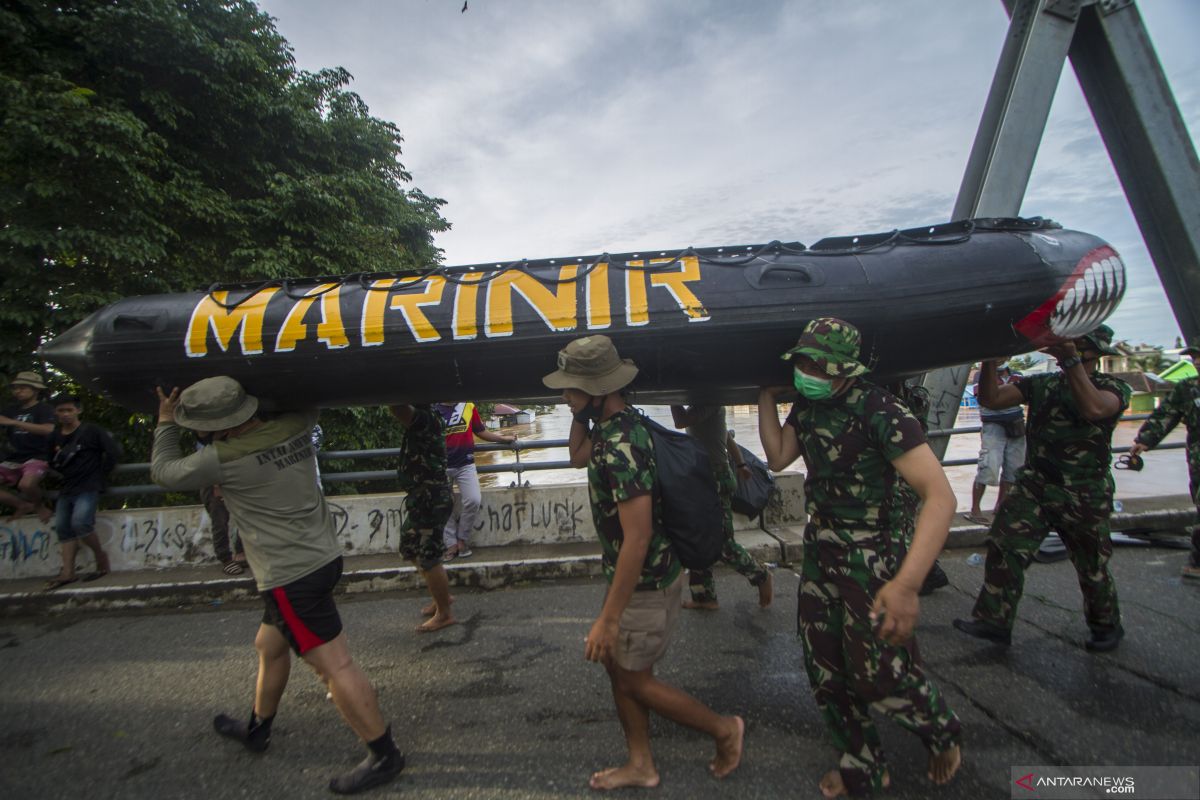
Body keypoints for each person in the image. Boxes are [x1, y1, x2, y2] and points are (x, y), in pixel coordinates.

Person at [150, 377, 404, 795]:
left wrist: (164, 422)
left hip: (290, 576)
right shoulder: (296, 425)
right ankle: (258, 728)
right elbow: (304, 396)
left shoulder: (218, 458)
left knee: (334, 667)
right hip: (323, 558)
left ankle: (385, 756)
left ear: (213, 427)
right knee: (269, 645)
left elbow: (163, 471)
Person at [758, 318, 962, 798]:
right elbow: (778, 456)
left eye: (817, 365)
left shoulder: (882, 411)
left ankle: (942, 730)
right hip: (822, 549)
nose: (807, 371)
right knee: (824, 669)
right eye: (802, 362)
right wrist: (767, 396)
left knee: (875, 674)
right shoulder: (809, 405)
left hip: (873, 556)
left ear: (845, 369)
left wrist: (907, 584)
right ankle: (863, 764)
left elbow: (940, 497)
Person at [543, 335, 744, 790]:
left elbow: (637, 538)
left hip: (645, 581)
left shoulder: (622, 447)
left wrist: (608, 619)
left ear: (599, 389)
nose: (564, 395)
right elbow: (576, 457)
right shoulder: (618, 425)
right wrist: (580, 411)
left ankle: (724, 730)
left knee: (634, 682)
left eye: (572, 388)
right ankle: (641, 763)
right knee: (621, 671)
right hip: (633, 579)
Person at [954, 324, 1131, 653]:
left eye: (1077, 346)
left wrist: (1071, 362)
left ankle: (1105, 625)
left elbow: (1093, 409)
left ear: (1092, 353)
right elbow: (991, 399)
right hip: (1035, 485)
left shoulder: (1113, 387)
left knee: (1091, 564)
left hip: (1084, 491)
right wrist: (991, 359)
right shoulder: (1043, 384)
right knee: (1005, 547)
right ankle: (995, 621)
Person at [668, 404, 772, 610]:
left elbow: (681, 421)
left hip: (715, 477)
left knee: (723, 542)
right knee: (698, 539)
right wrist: (741, 465)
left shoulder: (710, 396)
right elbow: (725, 435)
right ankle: (704, 596)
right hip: (703, 476)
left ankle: (760, 576)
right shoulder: (703, 399)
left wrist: (671, 395)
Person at [1129, 338, 1200, 580]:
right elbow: (1166, 414)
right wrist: (1145, 439)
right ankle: (1198, 563)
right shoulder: (1188, 388)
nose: (1197, 362)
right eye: (1194, 358)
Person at [389, 403, 458, 632]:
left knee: (429, 556)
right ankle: (441, 596)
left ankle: (444, 613)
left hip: (430, 499)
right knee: (409, 547)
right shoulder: (430, 415)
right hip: (422, 498)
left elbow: (397, 408)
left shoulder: (426, 418)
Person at [41, 394, 119, 590]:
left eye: (69, 410)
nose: (65, 414)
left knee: (81, 523)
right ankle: (68, 572)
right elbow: (50, 461)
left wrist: (101, 474)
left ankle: (101, 558)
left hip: (89, 484)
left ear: (78, 410)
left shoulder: (91, 431)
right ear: (56, 413)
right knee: (63, 529)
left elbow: (112, 452)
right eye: (61, 411)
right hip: (67, 486)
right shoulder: (55, 436)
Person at [885, 380, 950, 596]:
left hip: (904, 478)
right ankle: (927, 570)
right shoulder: (914, 397)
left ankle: (926, 572)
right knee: (906, 526)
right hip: (904, 476)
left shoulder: (912, 401)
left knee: (902, 528)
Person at [434, 401, 515, 560]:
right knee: (443, 504)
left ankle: (462, 539)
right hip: (440, 465)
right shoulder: (433, 408)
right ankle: (451, 544)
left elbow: (481, 431)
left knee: (473, 500)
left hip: (466, 464)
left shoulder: (468, 406)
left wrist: (504, 439)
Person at [965, 363, 1027, 524]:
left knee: (1014, 469)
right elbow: (984, 398)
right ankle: (975, 509)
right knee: (988, 466)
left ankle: (1001, 507)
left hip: (1016, 425)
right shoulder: (983, 375)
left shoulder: (1017, 376)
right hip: (993, 426)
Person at [0, 371, 55, 522]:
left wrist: (15, 423)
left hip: (39, 456)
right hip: (14, 458)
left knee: (27, 484)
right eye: (16, 388)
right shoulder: (10, 410)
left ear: (35, 390)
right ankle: (22, 505)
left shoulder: (44, 409)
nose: (18, 391)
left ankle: (39, 506)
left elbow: (49, 429)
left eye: (23, 388)